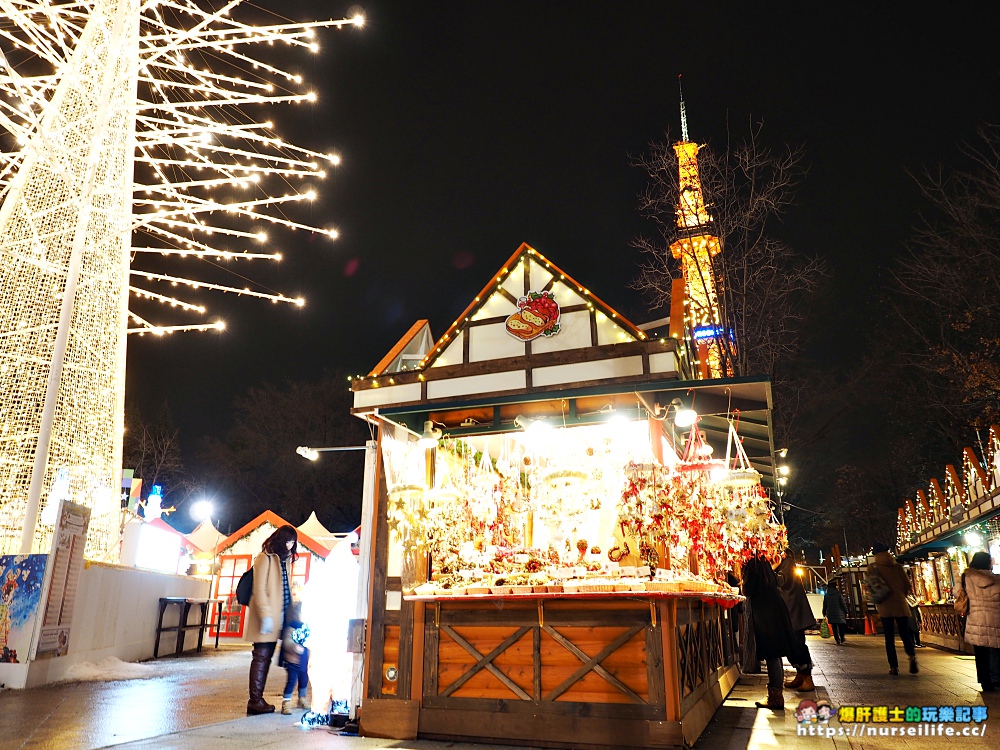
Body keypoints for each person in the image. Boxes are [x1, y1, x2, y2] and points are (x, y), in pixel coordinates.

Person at [244, 524, 298, 715]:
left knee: (271, 657)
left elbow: (285, 591)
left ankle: (267, 699)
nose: (290, 545)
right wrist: (266, 615)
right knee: (261, 656)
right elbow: (259, 590)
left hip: (281, 616)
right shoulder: (264, 558)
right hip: (266, 617)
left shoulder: (284, 561)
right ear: (280, 539)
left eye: (293, 542)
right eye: (288, 541)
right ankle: (255, 700)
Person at [742, 555, 797, 711]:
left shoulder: (751, 565)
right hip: (774, 610)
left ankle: (775, 697)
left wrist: (741, 580)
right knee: (775, 654)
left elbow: (747, 590)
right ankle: (775, 694)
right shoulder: (763, 563)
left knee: (772, 653)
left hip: (765, 613)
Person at [867, 541, 917, 675]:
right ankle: (912, 657)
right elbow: (907, 586)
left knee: (889, 638)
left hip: (885, 606)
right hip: (900, 604)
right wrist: (900, 595)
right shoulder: (898, 567)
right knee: (905, 634)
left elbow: (871, 587)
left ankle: (894, 666)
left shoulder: (873, 568)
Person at [954, 551, 1000, 692]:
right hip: (995, 617)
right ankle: (996, 677)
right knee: (996, 649)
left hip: (975, 618)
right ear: (988, 563)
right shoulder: (996, 579)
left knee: (980, 653)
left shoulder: (966, 577)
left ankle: (985, 681)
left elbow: (957, 593)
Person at [775, 553, 816, 691]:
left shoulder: (787, 562)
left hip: (794, 613)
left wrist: (770, 569)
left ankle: (808, 678)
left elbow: (782, 581)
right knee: (790, 645)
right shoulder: (783, 563)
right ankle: (800, 674)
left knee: (798, 644)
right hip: (787, 613)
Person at [278, 599, 311, 713]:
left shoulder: (306, 629)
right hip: (292, 661)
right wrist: (294, 647)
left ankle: (302, 698)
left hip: (303, 661)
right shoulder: (292, 627)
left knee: (304, 679)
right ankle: (286, 702)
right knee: (291, 681)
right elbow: (287, 641)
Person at [822, 577, 848, 645]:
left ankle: (837, 640)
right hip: (840, 613)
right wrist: (846, 611)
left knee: (834, 627)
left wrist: (824, 612)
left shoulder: (827, 595)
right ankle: (842, 637)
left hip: (831, 613)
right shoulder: (838, 594)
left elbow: (825, 605)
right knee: (841, 626)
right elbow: (843, 603)